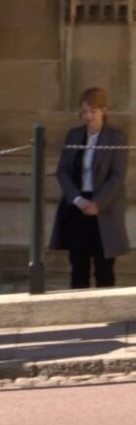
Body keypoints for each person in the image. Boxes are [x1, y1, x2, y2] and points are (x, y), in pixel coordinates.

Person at [49, 87, 130, 289]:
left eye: (93, 111)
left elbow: (118, 176)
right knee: (78, 265)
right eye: (84, 111)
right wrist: (77, 199)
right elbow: (63, 171)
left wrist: (98, 204)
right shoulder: (74, 135)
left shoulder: (116, 137)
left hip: (104, 208)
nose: (88, 116)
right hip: (77, 205)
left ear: (104, 110)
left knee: (104, 267)